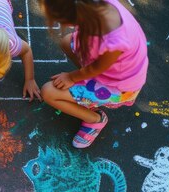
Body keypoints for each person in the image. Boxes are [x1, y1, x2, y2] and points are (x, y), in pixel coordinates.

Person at [39, 0, 148, 148]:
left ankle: (95, 119)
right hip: (108, 70)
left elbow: (96, 69)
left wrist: (72, 77)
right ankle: (85, 92)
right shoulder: (92, 8)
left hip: (118, 87)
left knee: (48, 92)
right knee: (66, 42)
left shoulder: (113, 41)